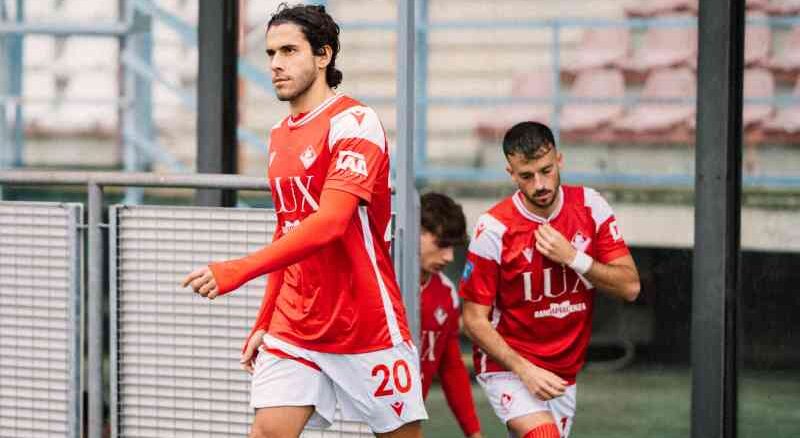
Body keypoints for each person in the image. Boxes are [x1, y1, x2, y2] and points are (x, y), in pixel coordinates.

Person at [181, 4, 427, 437]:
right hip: (295, 325)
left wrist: (236, 271)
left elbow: (331, 223)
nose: (276, 64)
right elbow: (288, 228)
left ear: (323, 55)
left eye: (289, 51)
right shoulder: (279, 134)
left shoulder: (356, 122)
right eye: (271, 53)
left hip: (362, 320)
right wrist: (265, 320)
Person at [459, 121, 641, 438]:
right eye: (527, 176)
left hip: (563, 371)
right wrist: (523, 369)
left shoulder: (590, 206)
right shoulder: (494, 228)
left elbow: (630, 287)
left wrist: (574, 257)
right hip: (510, 367)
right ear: (511, 173)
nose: (540, 184)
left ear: (559, 160)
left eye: (546, 170)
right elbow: (473, 319)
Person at [418, 192, 483, 438]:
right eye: (441, 244)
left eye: (452, 247)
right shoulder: (380, 283)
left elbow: (451, 367)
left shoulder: (446, 293)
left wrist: (473, 432)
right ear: (415, 231)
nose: (449, 257)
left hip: (401, 421)